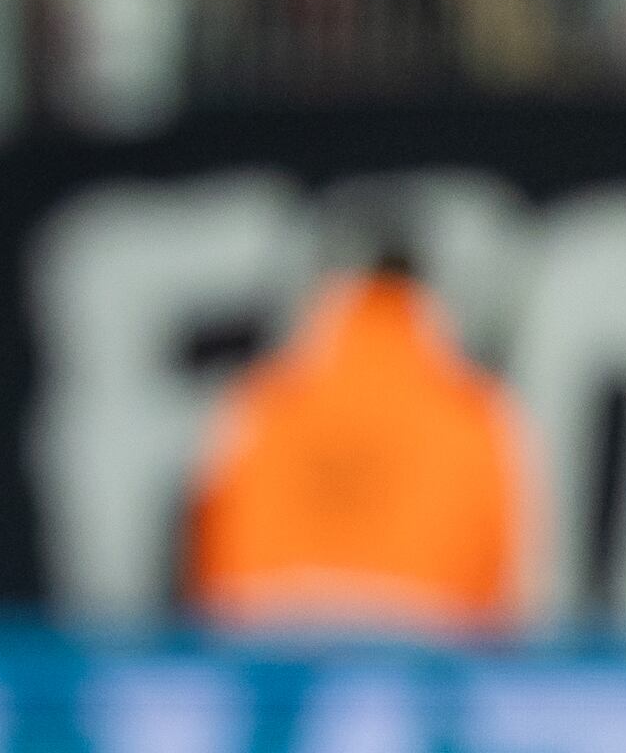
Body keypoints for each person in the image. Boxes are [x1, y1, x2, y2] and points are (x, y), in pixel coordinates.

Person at [191, 244, 527, 635]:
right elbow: (502, 578)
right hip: (423, 631)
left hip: (272, 629)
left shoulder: (257, 396)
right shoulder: (479, 407)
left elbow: (210, 537)